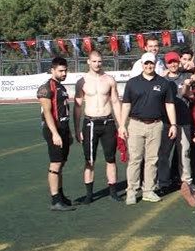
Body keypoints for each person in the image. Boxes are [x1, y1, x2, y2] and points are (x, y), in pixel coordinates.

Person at [118, 52, 177, 205]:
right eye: (146, 63)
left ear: (155, 64)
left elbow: (169, 105)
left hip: (156, 125)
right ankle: (131, 191)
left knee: (152, 160)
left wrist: (173, 124)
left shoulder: (163, 83)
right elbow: (126, 105)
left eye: (151, 63)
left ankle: (148, 191)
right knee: (135, 159)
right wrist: (122, 125)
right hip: (136, 124)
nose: (149, 66)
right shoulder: (132, 83)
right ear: (142, 64)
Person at [73, 51, 123, 204]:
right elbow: (77, 106)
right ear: (88, 62)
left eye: (99, 61)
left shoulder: (109, 80)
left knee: (111, 159)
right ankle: (89, 194)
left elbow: (116, 102)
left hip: (108, 122)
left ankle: (113, 192)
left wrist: (121, 125)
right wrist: (77, 129)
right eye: (94, 61)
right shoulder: (82, 82)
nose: (97, 64)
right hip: (90, 123)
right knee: (89, 160)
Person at [37, 57, 75, 211]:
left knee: (61, 163)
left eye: (65, 70)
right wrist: (55, 133)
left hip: (63, 129)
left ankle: (60, 195)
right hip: (54, 130)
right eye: (60, 71)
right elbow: (47, 112)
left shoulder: (61, 87)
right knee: (55, 163)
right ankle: (55, 200)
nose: (64, 73)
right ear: (52, 70)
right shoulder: (47, 87)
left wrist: (68, 133)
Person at [156, 51, 195, 194]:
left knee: (184, 152)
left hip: (184, 120)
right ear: (166, 64)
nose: (173, 64)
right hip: (166, 122)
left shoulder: (187, 76)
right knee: (163, 153)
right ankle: (163, 183)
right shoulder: (161, 80)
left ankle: (186, 181)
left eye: (175, 62)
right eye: (170, 62)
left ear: (179, 62)